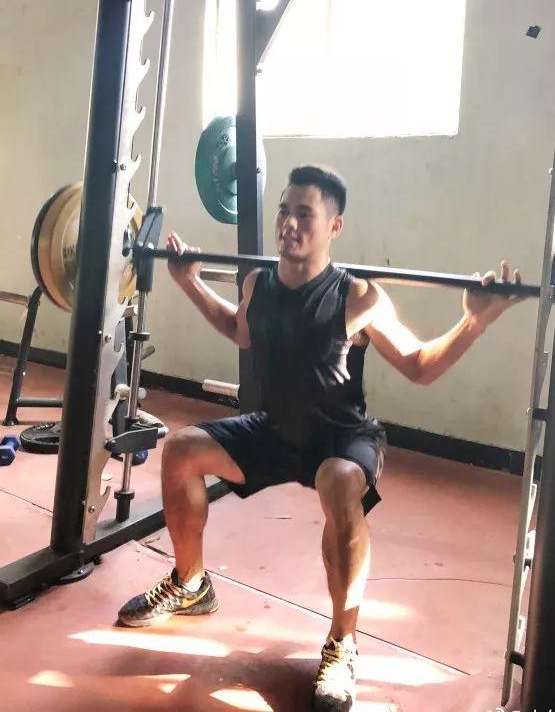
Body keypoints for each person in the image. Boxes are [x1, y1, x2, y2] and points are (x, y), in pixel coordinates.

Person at [118, 165, 522, 712]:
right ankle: (191, 584)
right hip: (275, 429)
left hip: (341, 437)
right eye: (284, 211)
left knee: (337, 479)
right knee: (181, 450)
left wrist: (475, 321)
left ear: (335, 226)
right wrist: (189, 282)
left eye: (304, 214)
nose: (288, 224)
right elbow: (240, 329)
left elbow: (419, 366)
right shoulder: (258, 283)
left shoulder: (358, 297)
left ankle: (342, 643)